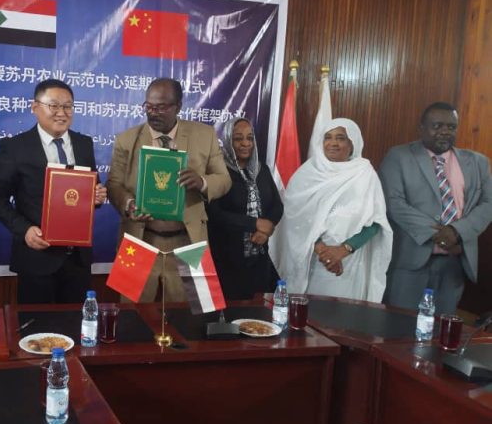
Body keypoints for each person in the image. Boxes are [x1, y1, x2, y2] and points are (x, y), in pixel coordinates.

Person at [107, 78, 232, 302]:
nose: (153, 113)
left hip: (189, 240)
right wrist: (129, 204)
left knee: (192, 316)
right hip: (138, 239)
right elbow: (114, 184)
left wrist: (202, 182)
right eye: (149, 106)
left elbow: (224, 180)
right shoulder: (126, 139)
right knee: (131, 313)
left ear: (178, 107)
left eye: (161, 107)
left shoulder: (204, 135)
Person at [0, 79, 107, 304]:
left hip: (78, 260)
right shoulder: (15, 147)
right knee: (38, 324)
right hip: (37, 258)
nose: (62, 113)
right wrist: (24, 230)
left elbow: (90, 189)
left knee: (76, 322)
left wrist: (97, 196)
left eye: (68, 106)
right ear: (35, 107)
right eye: (54, 106)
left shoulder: (83, 144)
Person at [380, 102, 492, 315]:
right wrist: (438, 234)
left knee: (442, 327)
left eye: (451, 127)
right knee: (400, 325)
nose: (444, 132)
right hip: (410, 260)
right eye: (437, 126)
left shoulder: (478, 162)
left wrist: (456, 231)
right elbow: (393, 202)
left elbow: (488, 204)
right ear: (421, 128)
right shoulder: (399, 156)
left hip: (455, 261)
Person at [271, 118, 392, 302]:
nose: (333, 143)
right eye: (328, 137)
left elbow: (376, 222)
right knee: (306, 311)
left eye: (340, 138)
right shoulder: (307, 173)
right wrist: (323, 251)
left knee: (342, 314)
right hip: (312, 258)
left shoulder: (365, 173)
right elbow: (293, 217)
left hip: (350, 261)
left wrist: (343, 250)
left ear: (352, 143)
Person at [207, 117, 283, 300]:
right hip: (227, 260)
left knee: (258, 311)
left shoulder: (261, 169)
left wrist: (265, 230)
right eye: (238, 138)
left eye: (250, 138)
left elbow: (277, 205)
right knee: (231, 312)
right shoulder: (218, 172)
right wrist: (254, 223)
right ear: (227, 140)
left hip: (258, 258)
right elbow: (214, 214)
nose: (245, 143)